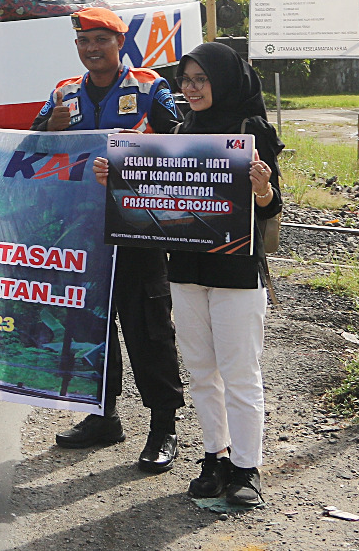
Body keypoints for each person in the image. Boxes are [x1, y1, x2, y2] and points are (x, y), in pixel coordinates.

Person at [93, 42, 281, 507]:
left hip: (237, 270)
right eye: (186, 80)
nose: (190, 88)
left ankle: (246, 467)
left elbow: (273, 208)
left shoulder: (250, 130)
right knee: (199, 372)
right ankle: (214, 457)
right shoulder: (180, 132)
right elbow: (159, 198)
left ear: (226, 81)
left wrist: (262, 188)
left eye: (201, 80)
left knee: (240, 373)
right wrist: (115, 180)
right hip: (186, 270)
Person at [32, 8, 185, 473]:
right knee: (91, 327)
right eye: (84, 41)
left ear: (120, 41)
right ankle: (104, 418)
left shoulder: (150, 86)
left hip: (139, 229)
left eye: (101, 39)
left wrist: (132, 169)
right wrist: (50, 128)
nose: (92, 49)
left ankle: (164, 427)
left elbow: (185, 142)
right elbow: (27, 148)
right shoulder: (63, 92)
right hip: (81, 231)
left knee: (148, 326)